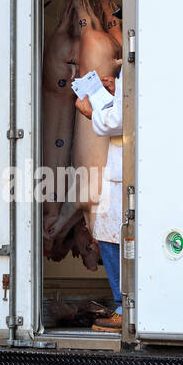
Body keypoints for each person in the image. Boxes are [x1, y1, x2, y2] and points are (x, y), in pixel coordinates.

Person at [75, 70, 123, 332]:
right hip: (124, 168)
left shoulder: (135, 62)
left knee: (107, 235)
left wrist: (91, 113)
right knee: (110, 234)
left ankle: (125, 308)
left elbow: (119, 119)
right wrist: (117, 89)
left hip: (125, 170)